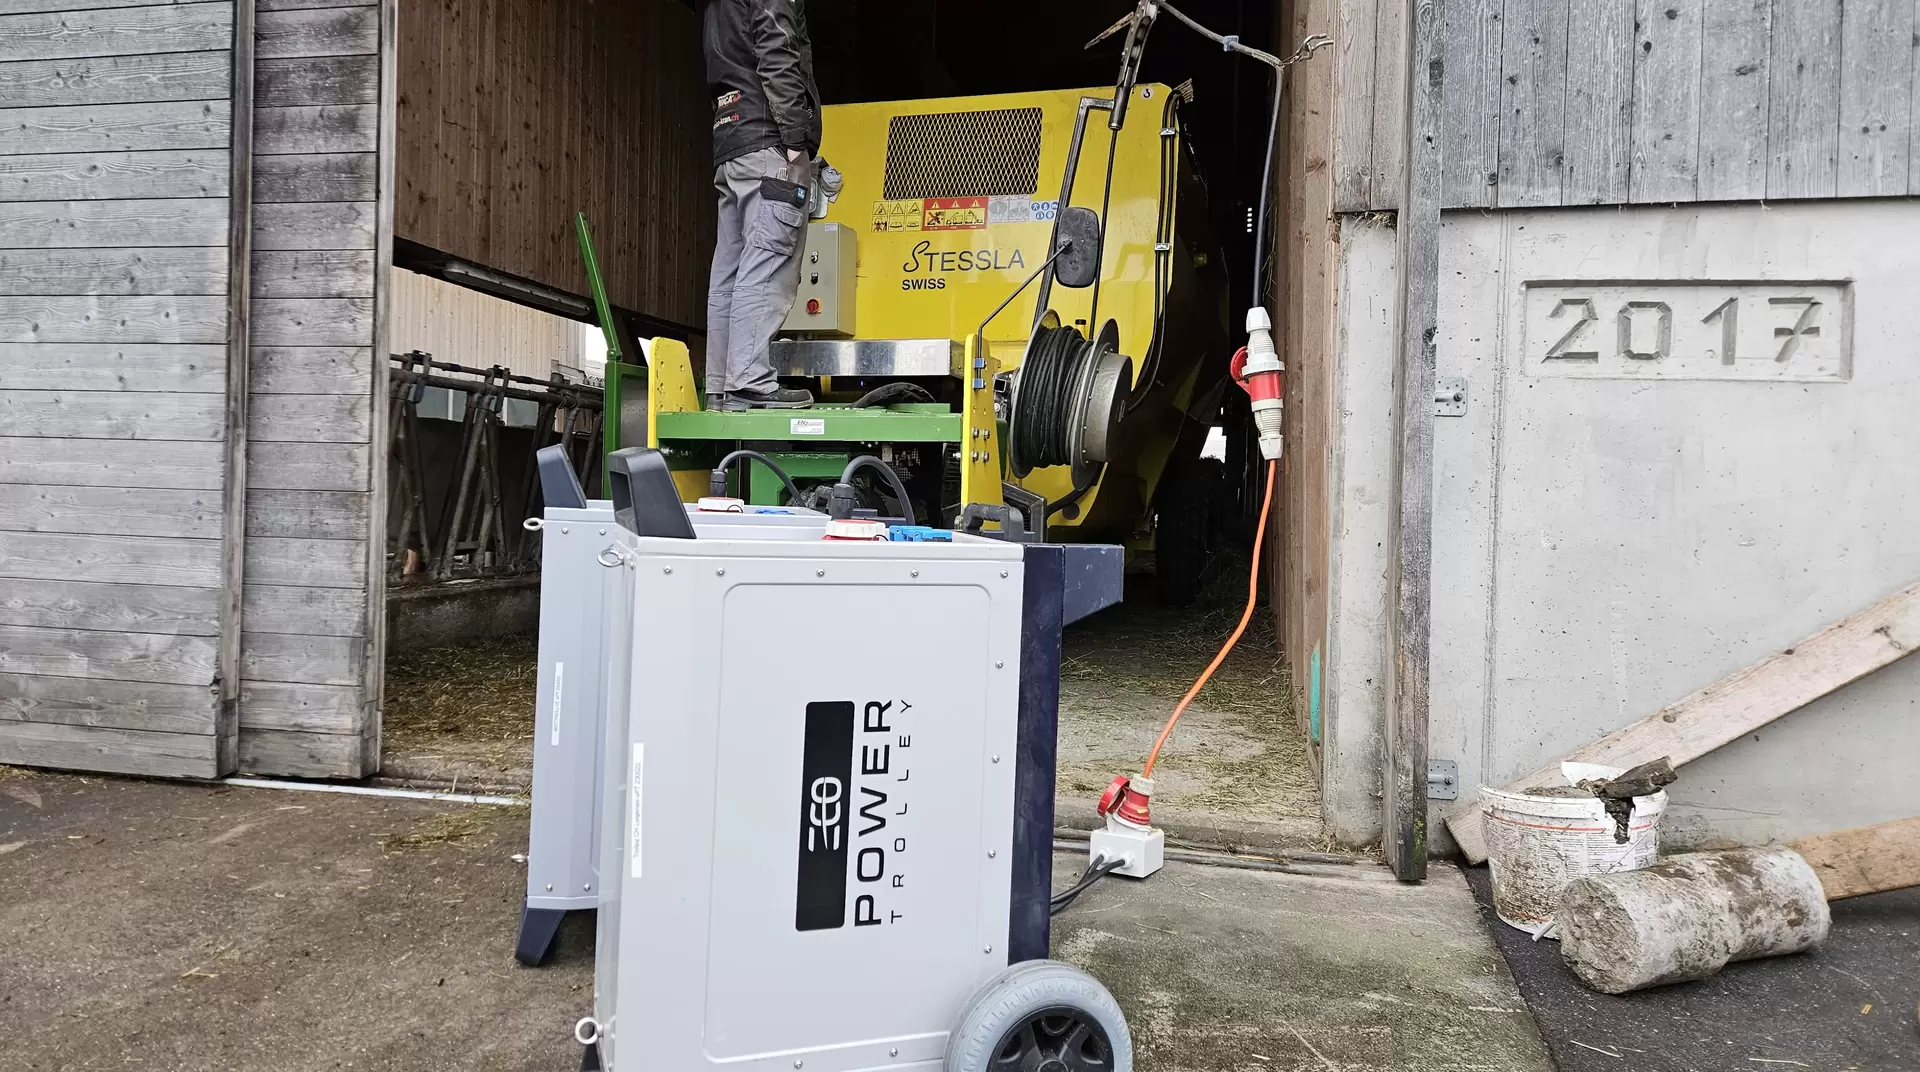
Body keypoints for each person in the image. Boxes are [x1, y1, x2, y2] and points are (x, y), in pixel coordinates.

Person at [702, 0, 823, 410]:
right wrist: (795, 144)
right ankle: (749, 381)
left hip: (731, 143)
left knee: (731, 270)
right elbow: (777, 50)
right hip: (767, 141)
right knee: (769, 260)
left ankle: (720, 384)